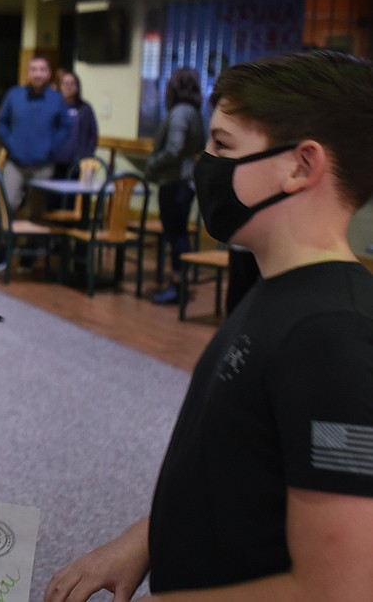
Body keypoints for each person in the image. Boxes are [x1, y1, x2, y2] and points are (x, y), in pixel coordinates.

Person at [45, 50, 373, 602]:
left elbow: (337, 589)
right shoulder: (274, 288)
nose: (205, 163)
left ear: (301, 165)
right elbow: (240, 468)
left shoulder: (330, 336)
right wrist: (143, 540)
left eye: (222, 146)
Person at [143, 67, 205, 305]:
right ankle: (180, 284)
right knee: (180, 235)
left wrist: (152, 165)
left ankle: (178, 287)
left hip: (175, 181)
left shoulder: (179, 112)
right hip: (187, 181)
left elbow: (174, 149)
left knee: (176, 236)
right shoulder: (195, 113)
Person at [0, 54, 69, 213]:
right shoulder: (14, 95)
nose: (38, 74)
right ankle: (5, 238)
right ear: (28, 73)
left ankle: (33, 239)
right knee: (7, 205)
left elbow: (65, 126)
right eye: (34, 70)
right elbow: (1, 123)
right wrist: (10, 144)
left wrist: (52, 147)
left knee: (38, 210)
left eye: (42, 70)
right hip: (15, 163)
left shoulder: (57, 99)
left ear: (49, 73)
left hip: (43, 166)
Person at [50, 69, 99, 177]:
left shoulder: (86, 109)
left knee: (81, 192)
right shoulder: (54, 107)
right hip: (57, 163)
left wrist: (88, 155)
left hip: (80, 163)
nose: (69, 86)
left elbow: (93, 134)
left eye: (72, 84)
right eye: (66, 83)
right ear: (61, 86)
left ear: (77, 87)